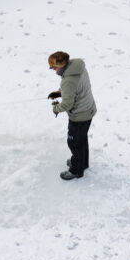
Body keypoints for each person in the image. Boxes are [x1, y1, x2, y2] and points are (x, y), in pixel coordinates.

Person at [45, 51, 96, 180]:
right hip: (88, 109)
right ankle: (82, 163)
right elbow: (74, 88)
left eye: (54, 67)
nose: (53, 70)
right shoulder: (77, 66)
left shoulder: (68, 80)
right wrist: (59, 92)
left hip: (79, 116)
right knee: (81, 139)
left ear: (62, 65)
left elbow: (67, 104)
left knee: (74, 143)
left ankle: (76, 170)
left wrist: (56, 108)